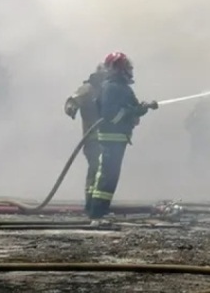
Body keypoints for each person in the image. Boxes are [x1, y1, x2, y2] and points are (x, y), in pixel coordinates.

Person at [88, 51, 158, 222]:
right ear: (117, 68)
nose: (129, 69)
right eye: (126, 66)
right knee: (106, 176)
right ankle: (97, 213)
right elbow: (111, 115)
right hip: (110, 138)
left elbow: (133, 108)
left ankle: (99, 210)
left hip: (118, 138)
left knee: (110, 176)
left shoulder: (123, 88)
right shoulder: (111, 87)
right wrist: (131, 111)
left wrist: (144, 107)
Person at [63, 62, 108, 214]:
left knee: (104, 171)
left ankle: (98, 204)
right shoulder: (88, 89)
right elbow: (73, 100)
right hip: (92, 139)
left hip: (107, 139)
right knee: (96, 168)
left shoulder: (109, 90)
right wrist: (71, 108)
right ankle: (91, 203)